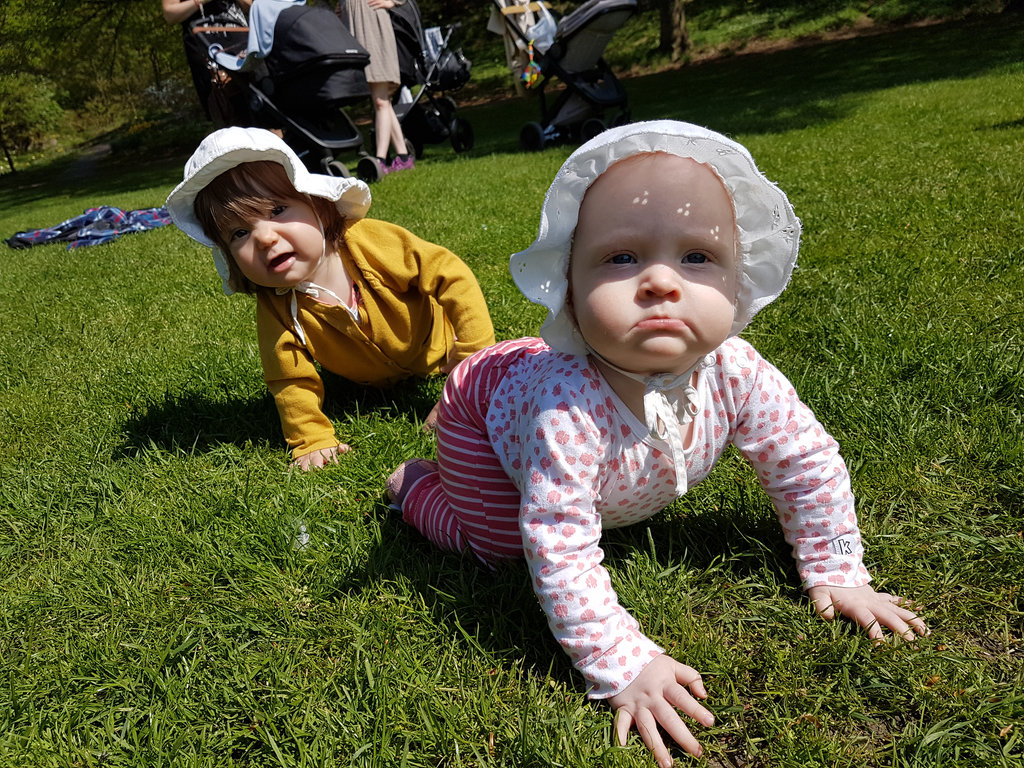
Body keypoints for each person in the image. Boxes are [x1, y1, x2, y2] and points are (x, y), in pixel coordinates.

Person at [385, 120, 930, 766]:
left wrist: (837, 567)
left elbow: (805, 462)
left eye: (697, 257)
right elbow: (557, 546)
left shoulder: (738, 371)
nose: (662, 282)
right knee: (502, 548)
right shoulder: (567, 409)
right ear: (569, 286)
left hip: (546, 395)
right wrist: (621, 662)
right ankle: (413, 485)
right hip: (484, 413)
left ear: (739, 281)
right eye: (622, 258)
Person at [165, 126, 495, 470]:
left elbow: (451, 276)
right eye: (239, 233)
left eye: (277, 210)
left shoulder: (368, 243)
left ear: (317, 205)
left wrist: (468, 365)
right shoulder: (278, 307)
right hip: (369, 385)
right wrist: (312, 440)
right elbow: (290, 379)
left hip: (440, 347)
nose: (263, 238)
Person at [336, 0, 415, 174]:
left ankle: (379, 161)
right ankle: (403, 157)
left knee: (380, 100)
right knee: (382, 100)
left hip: (373, 26)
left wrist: (392, 2)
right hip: (352, 25)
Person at [162, 0, 251, 121]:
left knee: (263, 106)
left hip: (241, 41)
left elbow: (250, 6)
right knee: (227, 111)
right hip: (206, 47)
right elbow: (169, 14)